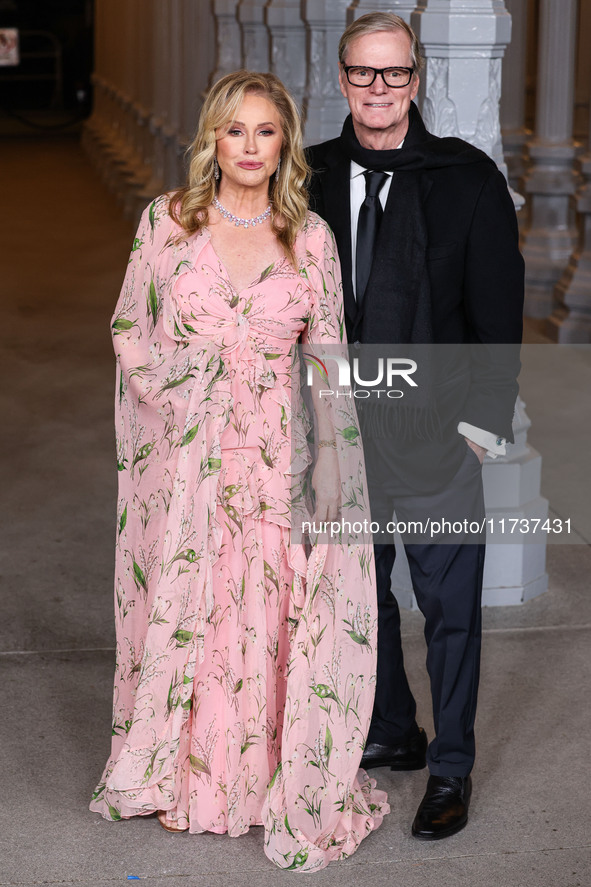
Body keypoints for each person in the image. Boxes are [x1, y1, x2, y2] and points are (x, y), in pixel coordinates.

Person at [89, 70, 388, 872]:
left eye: (265, 130)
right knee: (197, 594)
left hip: (275, 453)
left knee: (271, 604)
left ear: (284, 140)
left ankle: (261, 783)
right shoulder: (168, 222)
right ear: (211, 140)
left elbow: (327, 356)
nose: (249, 146)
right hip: (189, 454)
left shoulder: (310, 237)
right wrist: (180, 400)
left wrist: (330, 460)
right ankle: (188, 773)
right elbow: (130, 326)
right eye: (234, 130)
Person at [307, 13, 524, 840]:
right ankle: (393, 727)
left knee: (450, 610)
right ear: (341, 78)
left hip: (436, 435)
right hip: (344, 436)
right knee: (359, 596)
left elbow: (494, 319)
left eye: (393, 75)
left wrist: (477, 429)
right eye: (362, 74)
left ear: (417, 79)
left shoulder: (466, 180)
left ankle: (452, 768)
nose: (378, 90)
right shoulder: (314, 175)